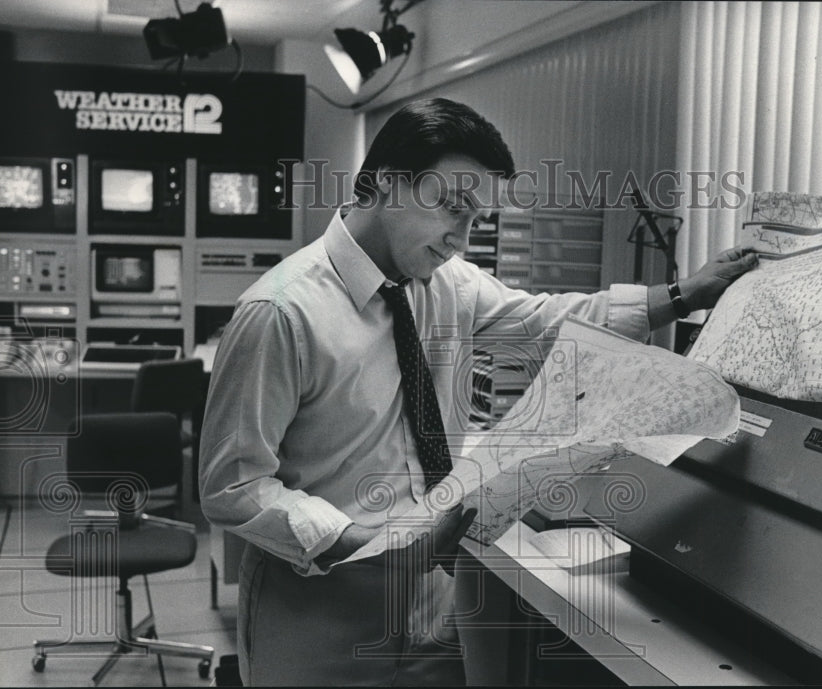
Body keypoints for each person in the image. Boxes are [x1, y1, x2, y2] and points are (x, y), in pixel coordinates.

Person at [199, 97, 757, 686]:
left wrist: (684, 295)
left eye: (477, 220)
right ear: (388, 184)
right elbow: (232, 485)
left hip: (433, 598)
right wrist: (361, 544)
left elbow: (548, 321)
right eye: (452, 208)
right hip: (317, 604)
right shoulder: (281, 313)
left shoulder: (446, 283)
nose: (461, 238)